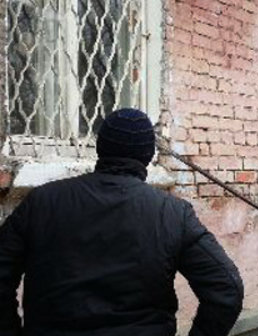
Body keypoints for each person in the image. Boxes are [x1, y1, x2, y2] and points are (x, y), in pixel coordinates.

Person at [0, 108, 244, 336]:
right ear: (148, 155)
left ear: (101, 146)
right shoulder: (172, 213)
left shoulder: (42, 202)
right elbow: (227, 289)